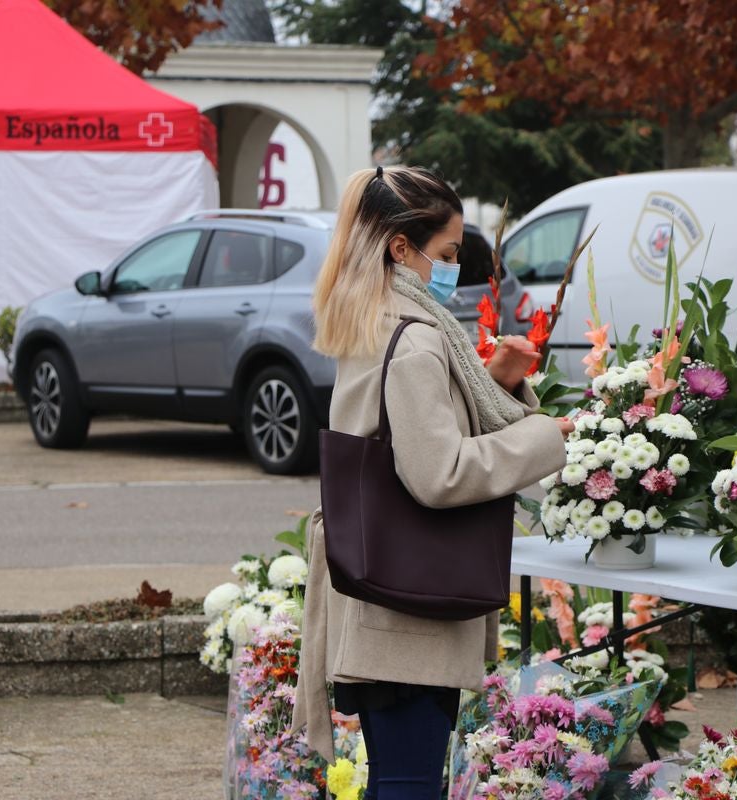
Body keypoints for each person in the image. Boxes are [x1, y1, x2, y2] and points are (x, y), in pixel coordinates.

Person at [292, 165, 571, 799]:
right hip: (410, 610)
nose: (453, 268)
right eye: (446, 253)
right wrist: (549, 434)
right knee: (410, 785)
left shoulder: (372, 318)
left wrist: (491, 383)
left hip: (378, 592)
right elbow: (437, 474)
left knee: (394, 778)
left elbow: (401, 436)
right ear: (400, 247)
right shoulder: (416, 339)